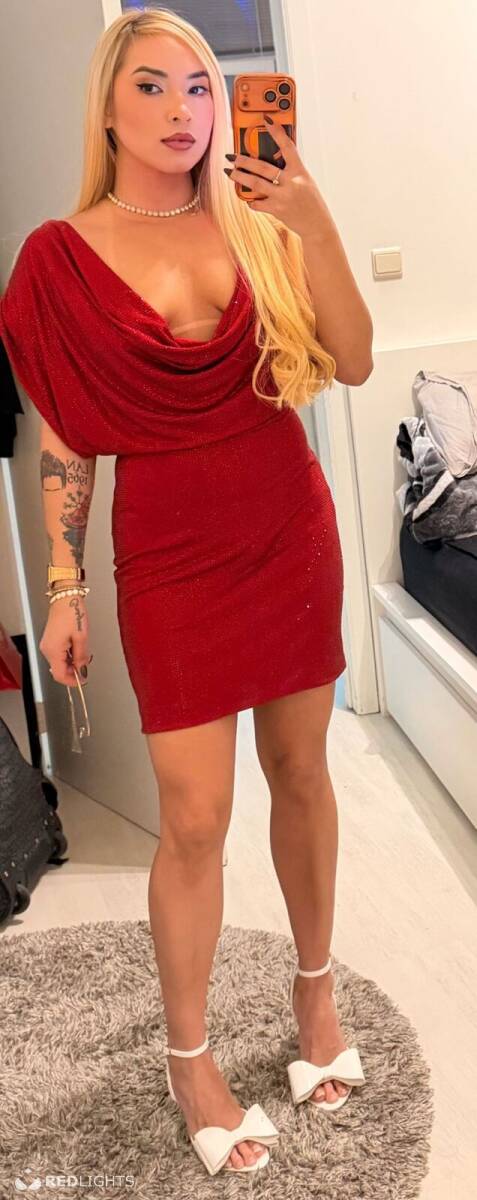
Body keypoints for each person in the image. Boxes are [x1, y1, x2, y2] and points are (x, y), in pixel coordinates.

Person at [0, 6, 372, 1179]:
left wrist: (311, 218)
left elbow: (355, 359)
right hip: (168, 553)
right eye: (154, 86)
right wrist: (64, 586)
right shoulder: (59, 257)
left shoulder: (261, 220)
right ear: (108, 107)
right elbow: (66, 436)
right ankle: (189, 1054)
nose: (183, 110)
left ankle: (315, 994)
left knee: (302, 773)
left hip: (287, 525)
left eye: (201, 87)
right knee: (196, 816)